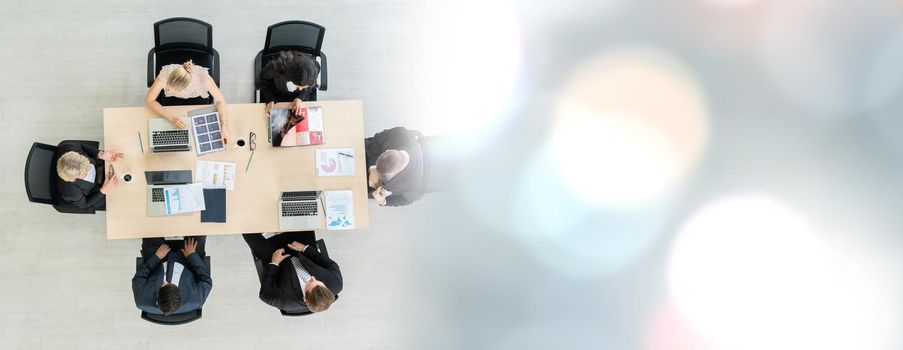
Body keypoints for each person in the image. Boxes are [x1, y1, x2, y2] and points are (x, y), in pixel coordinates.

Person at [242, 231, 341, 313]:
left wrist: (274, 263)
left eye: (310, 283)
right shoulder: (336, 284)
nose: (313, 278)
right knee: (305, 216)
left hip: (279, 263)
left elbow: (264, 294)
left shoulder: (285, 301)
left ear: (305, 298)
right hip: (305, 255)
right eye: (319, 282)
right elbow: (329, 264)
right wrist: (305, 248)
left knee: (249, 233)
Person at [145, 60, 232, 144]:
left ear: (184, 88)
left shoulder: (203, 79)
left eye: (172, 90)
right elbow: (149, 100)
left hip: (196, 99)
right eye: (167, 87)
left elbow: (220, 100)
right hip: (173, 101)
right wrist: (171, 118)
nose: (168, 91)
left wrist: (224, 125)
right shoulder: (166, 74)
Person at [132, 237, 212, 316]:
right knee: (197, 231)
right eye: (169, 284)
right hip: (187, 261)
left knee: (151, 230)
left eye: (163, 285)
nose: (165, 281)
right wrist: (192, 256)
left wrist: (156, 257)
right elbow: (206, 280)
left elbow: (139, 276)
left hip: (157, 263)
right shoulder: (197, 300)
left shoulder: (141, 301)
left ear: (157, 300)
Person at [365, 127, 425, 206]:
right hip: (368, 155)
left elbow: (406, 200)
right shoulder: (400, 133)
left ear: (398, 171)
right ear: (388, 151)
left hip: (372, 186)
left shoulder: (413, 184)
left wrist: (383, 201)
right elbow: (377, 140)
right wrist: (373, 168)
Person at [55, 142, 124, 210]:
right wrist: (103, 190)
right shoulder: (71, 193)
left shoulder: (69, 147)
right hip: (97, 189)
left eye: (87, 163)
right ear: (73, 179)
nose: (90, 168)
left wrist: (100, 154)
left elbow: (81, 146)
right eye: (85, 172)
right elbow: (83, 204)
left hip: (101, 165)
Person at [260, 51, 320, 116]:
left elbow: (310, 86)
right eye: (299, 86)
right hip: (277, 95)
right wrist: (270, 98)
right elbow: (263, 81)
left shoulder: (314, 68)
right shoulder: (274, 68)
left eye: (303, 87)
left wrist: (300, 98)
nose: (300, 89)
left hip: (299, 97)